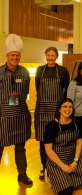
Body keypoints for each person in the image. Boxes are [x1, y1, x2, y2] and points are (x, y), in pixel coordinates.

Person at [44, 98, 82, 195]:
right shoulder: (52, 126)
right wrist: (63, 166)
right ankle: (51, 174)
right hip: (57, 162)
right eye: (65, 107)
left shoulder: (76, 124)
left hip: (73, 160)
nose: (68, 109)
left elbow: (79, 143)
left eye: (70, 107)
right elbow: (48, 149)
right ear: (59, 109)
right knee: (67, 192)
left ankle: (68, 178)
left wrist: (76, 161)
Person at [0, 34, 32, 185]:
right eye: (12, 55)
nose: (15, 57)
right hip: (2, 117)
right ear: (7, 55)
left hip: (19, 115)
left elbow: (25, 93)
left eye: (17, 55)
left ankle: (22, 174)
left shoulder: (25, 72)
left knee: (20, 148)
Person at [35, 46, 70, 179]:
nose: (50, 58)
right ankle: (44, 168)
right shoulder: (39, 70)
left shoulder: (62, 70)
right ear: (45, 56)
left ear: (56, 57)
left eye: (52, 55)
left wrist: (63, 109)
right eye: (48, 55)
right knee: (43, 141)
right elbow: (37, 88)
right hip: (42, 110)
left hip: (57, 110)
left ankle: (56, 167)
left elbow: (66, 90)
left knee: (56, 140)